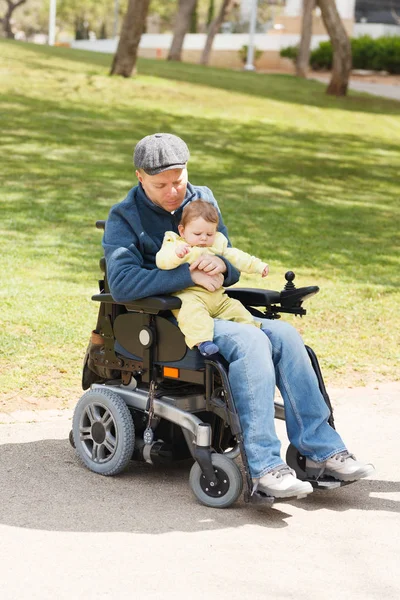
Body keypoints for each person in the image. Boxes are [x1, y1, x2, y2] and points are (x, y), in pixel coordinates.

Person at [103, 132, 374, 499]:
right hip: (175, 318)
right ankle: (264, 467)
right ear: (140, 177)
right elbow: (120, 283)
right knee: (250, 340)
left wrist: (221, 266)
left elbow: (228, 258)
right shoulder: (125, 216)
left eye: (178, 181)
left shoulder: (202, 198)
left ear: (188, 171)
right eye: (160, 184)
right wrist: (187, 275)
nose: (172, 192)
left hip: (219, 307)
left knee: (284, 334)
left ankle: (322, 450)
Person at [155, 199, 269, 356]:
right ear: (182, 231)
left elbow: (237, 257)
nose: (203, 238)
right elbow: (162, 261)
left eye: (209, 234)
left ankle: (255, 331)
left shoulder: (217, 245)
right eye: (197, 234)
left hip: (217, 297)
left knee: (237, 309)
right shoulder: (176, 245)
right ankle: (203, 342)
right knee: (192, 315)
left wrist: (258, 266)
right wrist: (176, 255)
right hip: (191, 296)